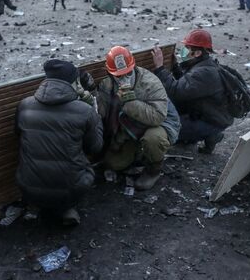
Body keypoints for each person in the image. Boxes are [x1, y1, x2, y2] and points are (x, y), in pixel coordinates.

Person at [16, 60, 103, 225]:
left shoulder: (24, 106)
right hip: (69, 189)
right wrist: (95, 114)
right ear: (73, 82)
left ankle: (36, 205)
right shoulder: (84, 110)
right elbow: (95, 147)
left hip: (26, 185)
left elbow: (18, 135)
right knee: (83, 169)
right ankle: (66, 208)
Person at [96, 46, 179, 190]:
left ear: (133, 67)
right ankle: (139, 153)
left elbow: (158, 117)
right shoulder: (108, 85)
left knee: (153, 139)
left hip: (161, 124)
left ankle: (154, 170)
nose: (124, 79)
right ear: (110, 73)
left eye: (127, 73)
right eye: (118, 75)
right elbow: (101, 114)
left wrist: (130, 103)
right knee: (113, 164)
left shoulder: (150, 83)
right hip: (130, 127)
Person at [151, 30, 234, 154]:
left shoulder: (204, 73)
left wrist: (159, 68)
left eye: (187, 47)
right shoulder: (204, 64)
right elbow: (187, 85)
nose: (183, 50)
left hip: (212, 121)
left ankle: (210, 134)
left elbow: (175, 92)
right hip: (212, 116)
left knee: (166, 126)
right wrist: (175, 67)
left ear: (198, 52)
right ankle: (204, 135)